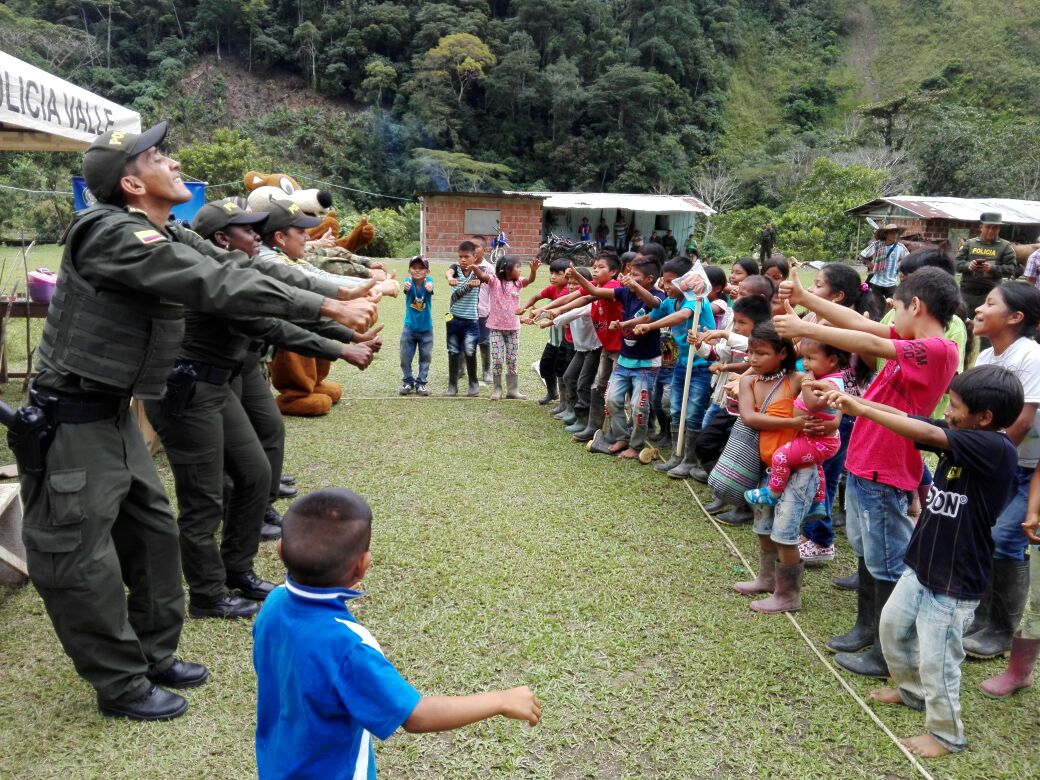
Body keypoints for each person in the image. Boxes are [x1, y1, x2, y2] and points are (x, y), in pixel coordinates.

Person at [13, 122, 374, 722]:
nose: (174, 161)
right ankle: (121, 684)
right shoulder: (109, 232)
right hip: (71, 421)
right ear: (132, 184)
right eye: (157, 156)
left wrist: (329, 305)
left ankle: (154, 657)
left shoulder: (169, 231)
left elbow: (243, 269)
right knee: (79, 560)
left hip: (114, 416)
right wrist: (328, 305)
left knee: (155, 538)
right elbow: (213, 281)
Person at [253, 489, 541, 779]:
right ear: (362, 565)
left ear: (280, 550)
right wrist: (501, 700)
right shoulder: (348, 647)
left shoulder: (274, 602)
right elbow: (415, 715)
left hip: (276, 766)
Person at [827, 365, 1022, 757]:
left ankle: (946, 735)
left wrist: (861, 410)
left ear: (985, 418)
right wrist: (857, 403)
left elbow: (929, 433)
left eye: (955, 406)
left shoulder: (997, 449)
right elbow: (909, 419)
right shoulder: (963, 435)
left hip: (955, 580)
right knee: (893, 628)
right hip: (922, 564)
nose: (947, 411)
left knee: (939, 659)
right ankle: (911, 691)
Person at [775, 267, 961, 677]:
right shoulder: (910, 341)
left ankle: (886, 652)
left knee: (887, 563)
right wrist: (806, 301)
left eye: (896, 306)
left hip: (886, 467)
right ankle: (865, 627)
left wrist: (805, 327)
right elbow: (861, 325)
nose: (891, 314)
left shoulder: (938, 349)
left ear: (916, 305)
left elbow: (870, 341)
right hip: (866, 461)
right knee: (868, 553)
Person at [963, 282, 1040, 659]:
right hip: (1001, 464)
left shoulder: (1031, 356)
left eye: (990, 303)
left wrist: (988, 460)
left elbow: (1023, 421)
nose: (979, 308)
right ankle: (980, 617)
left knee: (1006, 536)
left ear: (1015, 317)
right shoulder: (985, 357)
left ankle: (1000, 629)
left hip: (1028, 467)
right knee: (984, 534)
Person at [730, 322, 810, 613]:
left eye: (761, 353)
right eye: (750, 352)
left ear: (783, 353)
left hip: (797, 470)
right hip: (766, 468)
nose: (753, 359)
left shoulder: (798, 381)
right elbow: (749, 418)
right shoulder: (748, 382)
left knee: (785, 532)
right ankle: (766, 579)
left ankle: (788, 595)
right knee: (763, 527)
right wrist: (792, 422)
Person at [569, 250, 666, 458]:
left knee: (639, 407)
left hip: (647, 365)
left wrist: (635, 288)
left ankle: (636, 445)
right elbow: (594, 291)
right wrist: (577, 275)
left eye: (636, 275)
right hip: (624, 361)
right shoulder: (625, 292)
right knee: (611, 400)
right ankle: (622, 437)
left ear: (649, 279)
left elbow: (653, 304)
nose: (630, 278)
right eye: (630, 274)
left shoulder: (659, 296)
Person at [744, 336, 846, 513]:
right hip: (819, 439)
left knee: (780, 456)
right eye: (804, 357)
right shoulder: (826, 378)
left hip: (820, 440)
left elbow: (813, 404)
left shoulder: (830, 384)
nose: (805, 363)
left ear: (832, 361)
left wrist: (806, 384)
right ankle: (818, 503)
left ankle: (772, 493)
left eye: (810, 358)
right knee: (817, 466)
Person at [470, 255, 539, 400]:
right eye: (517, 267)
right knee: (497, 359)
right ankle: (497, 389)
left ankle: (513, 390)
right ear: (506, 269)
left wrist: (533, 271)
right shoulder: (494, 281)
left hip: (513, 329)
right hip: (496, 328)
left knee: (512, 360)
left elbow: (530, 280)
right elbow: (483, 276)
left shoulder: (518, 283)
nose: (520, 270)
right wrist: (475, 268)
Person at [956, 212, 1018, 359]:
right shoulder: (969, 244)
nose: (991, 231)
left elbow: (1011, 269)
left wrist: (992, 268)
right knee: (962, 326)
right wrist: (968, 266)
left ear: (999, 229)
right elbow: (956, 264)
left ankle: (986, 360)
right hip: (966, 294)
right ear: (981, 227)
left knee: (988, 329)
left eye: (995, 228)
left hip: (990, 296)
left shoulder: (1005, 247)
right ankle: (961, 357)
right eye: (988, 227)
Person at [518, 260, 572, 405]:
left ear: (568, 275)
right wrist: (524, 308)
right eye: (551, 273)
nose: (553, 277)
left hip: (567, 341)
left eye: (558, 274)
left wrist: (537, 314)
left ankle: (566, 400)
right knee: (545, 365)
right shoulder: (552, 289)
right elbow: (535, 297)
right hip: (553, 339)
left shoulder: (568, 291)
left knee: (563, 370)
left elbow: (555, 313)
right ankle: (552, 393)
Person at [444, 241, 483, 397]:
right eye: (460, 256)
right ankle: (452, 386)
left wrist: (478, 280)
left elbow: (483, 278)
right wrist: (450, 278)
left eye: (467, 256)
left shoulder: (478, 271)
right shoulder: (455, 268)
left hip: (471, 321)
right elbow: (448, 273)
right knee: (453, 351)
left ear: (475, 257)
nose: (463, 260)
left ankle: (473, 384)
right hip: (453, 320)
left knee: (470, 350)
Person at [400, 256, 434, 397]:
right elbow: (406, 286)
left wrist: (430, 286)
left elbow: (430, 286)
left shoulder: (429, 281)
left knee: (425, 358)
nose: (417, 270)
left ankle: (421, 383)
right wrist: (406, 287)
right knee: (405, 357)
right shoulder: (408, 281)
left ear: (427, 271)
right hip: (409, 328)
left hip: (426, 329)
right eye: (414, 268)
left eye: (421, 268)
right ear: (409, 270)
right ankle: (408, 381)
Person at [859, 224, 908, 297]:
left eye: (896, 232)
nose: (894, 235)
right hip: (876, 282)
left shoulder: (901, 247)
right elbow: (862, 254)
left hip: (891, 283)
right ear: (886, 234)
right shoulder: (876, 245)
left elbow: (908, 259)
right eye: (892, 232)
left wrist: (902, 270)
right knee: (873, 302)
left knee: (892, 302)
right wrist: (869, 264)